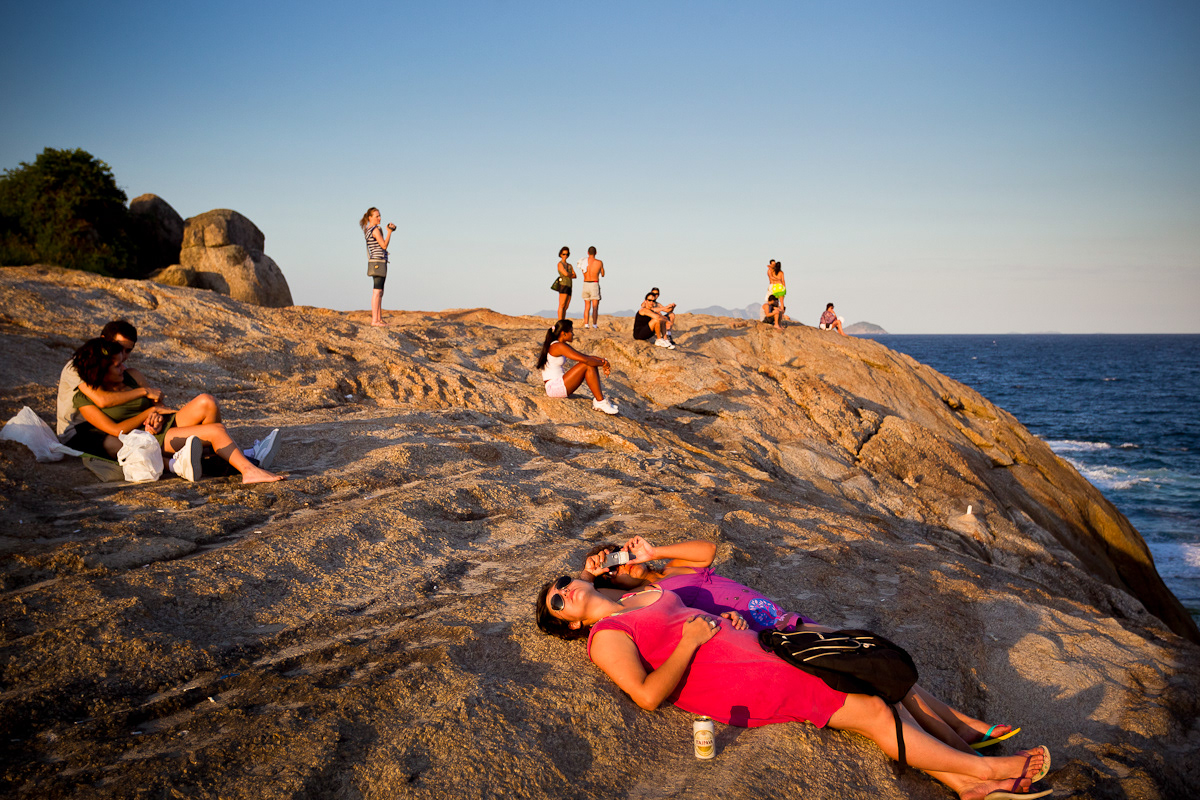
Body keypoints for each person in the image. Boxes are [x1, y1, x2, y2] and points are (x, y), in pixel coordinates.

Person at [536, 574, 1052, 800]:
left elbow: (691, 608)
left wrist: (726, 624)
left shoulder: (637, 595)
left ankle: (966, 786)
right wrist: (691, 643)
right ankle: (987, 769)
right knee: (873, 711)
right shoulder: (606, 637)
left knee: (875, 692)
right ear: (571, 624)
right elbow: (647, 695)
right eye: (557, 603)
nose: (564, 592)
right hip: (741, 682)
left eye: (561, 584)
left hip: (761, 649)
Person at [581, 537, 1021, 755]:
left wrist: (652, 551)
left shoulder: (668, 574)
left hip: (788, 619)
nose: (623, 563)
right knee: (874, 671)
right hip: (775, 636)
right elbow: (593, 604)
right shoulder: (656, 599)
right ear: (612, 585)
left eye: (621, 554)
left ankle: (958, 728)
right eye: (615, 567)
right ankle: (959, 736)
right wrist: (590, 577)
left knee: (875, 662)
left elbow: (707, 551)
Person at [65, 338, 282, 484]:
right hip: (145, 438)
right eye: (117, 366)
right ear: (101, 371)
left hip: (161, 425)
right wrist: (147, 415)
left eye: (122, 363)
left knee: (207, 402)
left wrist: (156, 414)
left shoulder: (132, 376)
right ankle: (248, 470)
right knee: (215, 431)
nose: (123, 367)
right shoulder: (84, 400)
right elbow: (116, 430)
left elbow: (157, 405)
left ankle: (216, 456)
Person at [56, 320, 163, 443]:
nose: (123, 355)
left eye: (128, 351)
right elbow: (102, 400)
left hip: (109, 427)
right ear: (104, 340)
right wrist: (144, 392)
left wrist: (155, 413)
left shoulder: (117, 368)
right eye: (119, 347)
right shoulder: (80, 367)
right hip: (80, 431)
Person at [535, 319, 619, 415]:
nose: (573, 334)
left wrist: (604, 361)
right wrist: (603, 364)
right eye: (571, 331)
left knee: (589, 364)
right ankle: (600, 401)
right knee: (586, 364)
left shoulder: (560, 345)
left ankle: (600, 400)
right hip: (554, 387)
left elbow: (585, 356)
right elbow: (585, 360)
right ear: (563, 333)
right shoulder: (557, 346)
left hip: (558, 384)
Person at [360, 207, 396, 327]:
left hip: (378, 261)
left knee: (380, 291)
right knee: (377, 291)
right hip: (378, 262)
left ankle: (379, 319)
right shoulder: (374, 230)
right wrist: (389, 232)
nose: (379, 218)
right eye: (377, 216)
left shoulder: (370, 229)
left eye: (379, 216)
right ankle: (375, 320)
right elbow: (384, 245)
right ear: (370, 218)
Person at [579, 246, 605, 330]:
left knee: (587, 306)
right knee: (595, 307)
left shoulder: (583, 262)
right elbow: (603, 274)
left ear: (588, 253)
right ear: (596, 253)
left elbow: (582, 271)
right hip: (594, 283)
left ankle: (586, 324)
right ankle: (594, 324)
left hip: (585, 283)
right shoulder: (599, 262)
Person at [555, 246, 574, 321]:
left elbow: (575, 275)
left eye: (567, 254)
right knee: (562, 304)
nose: (565, 256)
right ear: (560, 254)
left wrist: (569, 274)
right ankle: (560, 321)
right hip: (563, 285)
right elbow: (565, 273)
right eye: (564, 254)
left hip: (569, 285)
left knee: (566, 305)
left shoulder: (569, 265)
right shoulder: (560, 264)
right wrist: (570, 274)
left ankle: (563, 320)